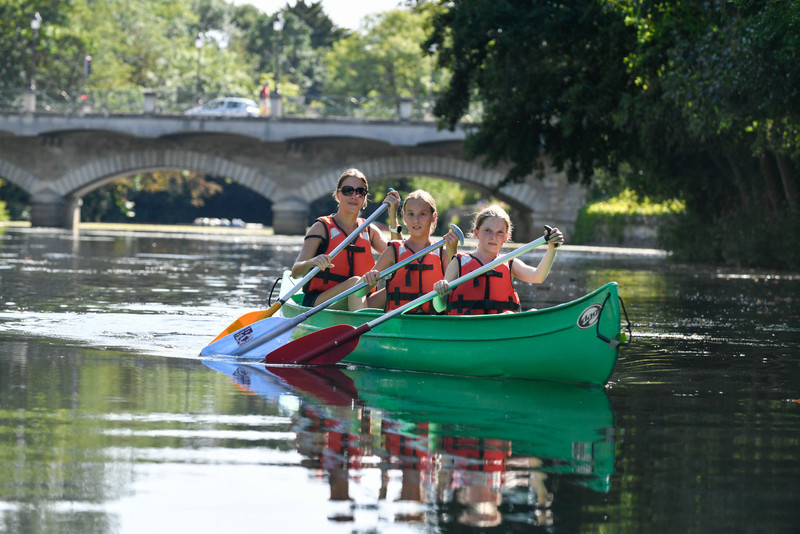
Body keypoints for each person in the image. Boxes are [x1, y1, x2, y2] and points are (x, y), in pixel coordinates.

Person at [291, 168, 400, 308]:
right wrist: (311, 262)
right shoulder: (321, 227)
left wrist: (393, 217)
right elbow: (295, 272)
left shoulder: (370, 230)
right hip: (321, 302)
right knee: (355, 282)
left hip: (361, 298)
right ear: (338, 195)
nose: (354, 196)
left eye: (360, 192)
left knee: (399, 288)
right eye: (348, 191)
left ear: (365, 197)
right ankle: (363, 327)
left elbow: (400, 255)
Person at [433, 204, 564, 315]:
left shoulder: (510, 263)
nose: (493, 236)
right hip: (466, 329)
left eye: (499, 232)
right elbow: (439, 307)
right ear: (476, 233)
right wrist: (439, 292)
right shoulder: (459, 262)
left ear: (506, 236)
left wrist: (552, 249)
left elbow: (538, 277)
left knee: (533, 312)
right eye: (488, 230)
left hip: (501, 328)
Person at [349, 189, 459, 313]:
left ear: (433, 217)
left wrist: (452, 252)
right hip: (397, 323)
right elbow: (360, 292)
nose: (416, 220)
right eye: (410, 214)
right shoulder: (393, 251)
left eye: (422, 214)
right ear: (404, 217)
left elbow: (455, 293)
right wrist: (368, 278)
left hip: (431, 322)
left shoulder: (442, 253)